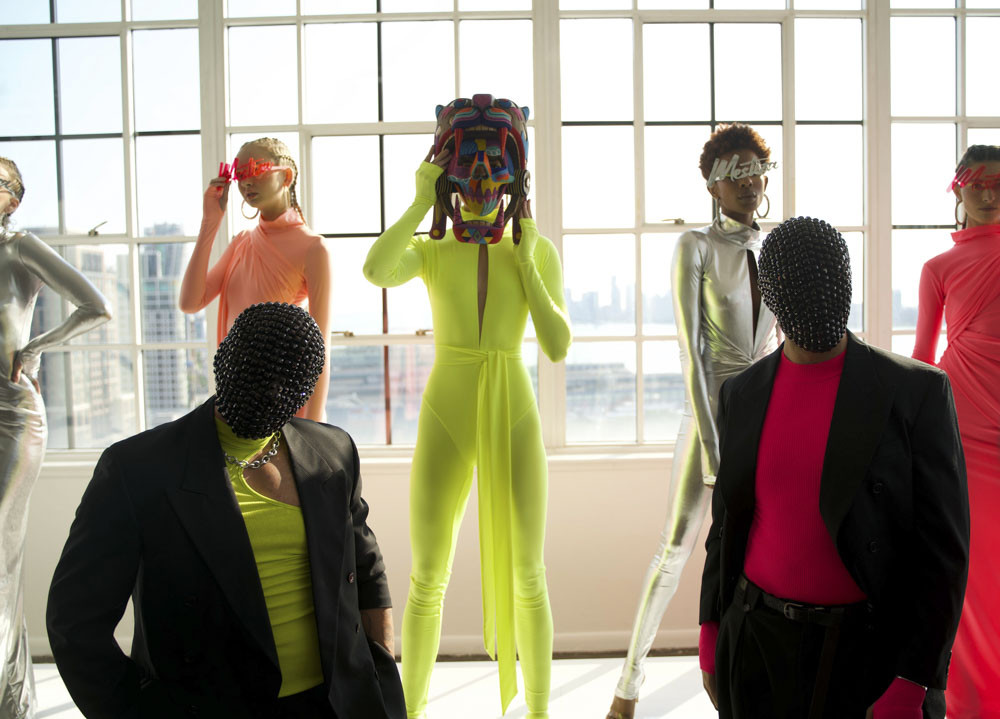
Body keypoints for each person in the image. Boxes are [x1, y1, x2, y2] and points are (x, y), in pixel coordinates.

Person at [46, 302, 404, 719]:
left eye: (285, 380)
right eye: (258, 373)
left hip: (338, 704)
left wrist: (381, 681)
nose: (270, 391)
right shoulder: (137, 469)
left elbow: (367, 573)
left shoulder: (334, 451)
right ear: (225, 360)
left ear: (305, 388)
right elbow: (75, 623)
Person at [699, 217, 969, 719]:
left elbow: (943, 555)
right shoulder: (742, 393)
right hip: (755, 644)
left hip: (869, 657)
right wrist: (710, 635)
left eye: (827, 280)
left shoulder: (915, 393)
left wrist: (913, 680)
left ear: (846, 282)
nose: (818, 297)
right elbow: (727, 524)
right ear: (772, 296)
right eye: (800, 284)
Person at [363, 94, 571, 719]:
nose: (480, 183)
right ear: (448, 175)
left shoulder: (535, 250)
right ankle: (412, 711)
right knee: (427, 577)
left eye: (493, 171)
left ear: (513, 177)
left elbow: (557, 346)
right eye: (466, 171)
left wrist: (528, 256)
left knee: (530, 575)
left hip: (512, 405)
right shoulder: (431, 250)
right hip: (448, 409)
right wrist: (418, 200)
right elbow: (376, 269)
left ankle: (538, 712)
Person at [607, 123, 779, 719]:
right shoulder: (695, 246)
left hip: (766, 414)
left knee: (761, 549)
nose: (748, 183)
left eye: (756, 170)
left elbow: (781, 345)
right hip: (710, 411)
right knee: (675, 549)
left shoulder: (774, 247)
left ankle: (748, 680)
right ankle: (627, 688)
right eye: (734, 173)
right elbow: (690, 353)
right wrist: (710, 444)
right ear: (712, 185)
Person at [0, 156, 112, 719]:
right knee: (4, 562)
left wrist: (36, 347)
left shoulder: (21, 247)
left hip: (11, 415)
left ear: (13, 200)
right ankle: (11, 698)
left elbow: (98, 307)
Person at [912, 144, 1000, 719]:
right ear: (958, 189)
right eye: (977, 184)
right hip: (962, 431)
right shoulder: (937, 269)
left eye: (999, 184)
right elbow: (922, 360)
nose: (988, 194)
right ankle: (972, 701)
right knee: (970, 573)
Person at [179, 137, 332, 421]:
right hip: (236, 397)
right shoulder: (242, 242)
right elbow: (190, 302)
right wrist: (210, 221)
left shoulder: (313, 248)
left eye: (256, 170)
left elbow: (320, 348)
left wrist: (313, 429)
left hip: (285, 398)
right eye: (240, 174)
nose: (247, 182)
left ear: (286, 176)